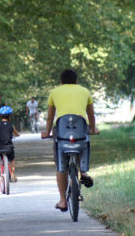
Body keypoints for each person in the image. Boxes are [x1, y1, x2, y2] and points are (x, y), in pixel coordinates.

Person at [41, 69, 99, 212]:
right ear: (76, 81)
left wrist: (47, 132)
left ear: (61, 82)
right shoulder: (85, 91)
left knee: (61, 164)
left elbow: (50, 117)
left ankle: (62, 200)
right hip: (80, 129)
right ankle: (83, 173)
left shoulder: (54, 92)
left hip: (62, 131)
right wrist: (93, 128)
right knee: (83, 143)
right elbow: (91, 115)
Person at [0, 106, 20, 181]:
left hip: (0, 147)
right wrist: (17, 135)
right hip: (9, 148)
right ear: (10, 116)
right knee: (12, 159)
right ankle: (12, 174)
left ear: (0, 116)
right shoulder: (11, 125)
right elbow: (16, 133)